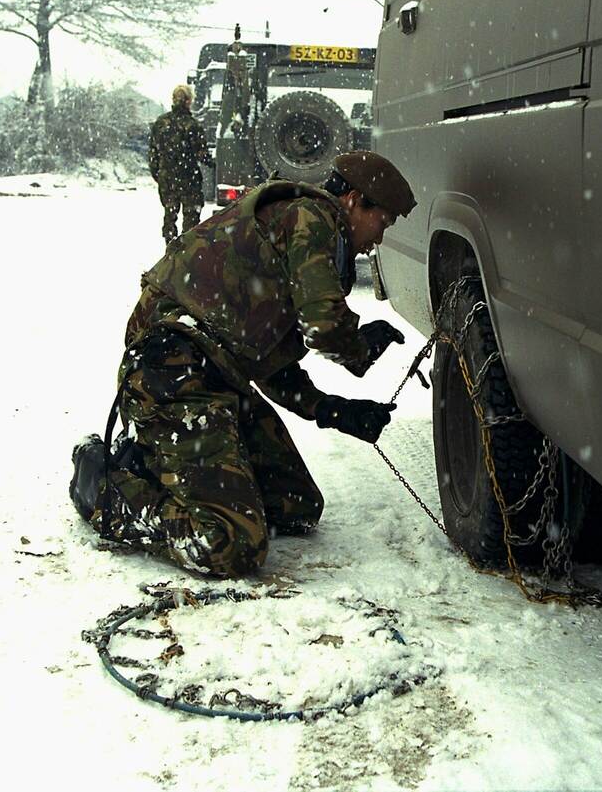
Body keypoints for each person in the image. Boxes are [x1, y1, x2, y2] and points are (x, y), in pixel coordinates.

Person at [71, 151, 416, 578]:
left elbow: (270, 363)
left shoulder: (295, 225)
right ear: (354, 201)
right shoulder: (312, 220)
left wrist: (331, 409)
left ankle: (164, 462)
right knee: (230, 544)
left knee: (296, 505)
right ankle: (104, 485)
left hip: (214, 377)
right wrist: (359, 347)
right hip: (171, 374)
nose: (378, 238)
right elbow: (323, 326)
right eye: (382, 220)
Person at [148, 84, 213, 244]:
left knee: (170, 215)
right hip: (189, 179)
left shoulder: (160, 123)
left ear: (173, 99)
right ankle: (187, 253)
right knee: (191, 219)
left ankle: (170, 250)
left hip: (167, 180)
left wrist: (161, 175)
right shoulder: (193, 126)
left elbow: (153, 155)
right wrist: (213, 163)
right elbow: (202, 154)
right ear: (189, 101)